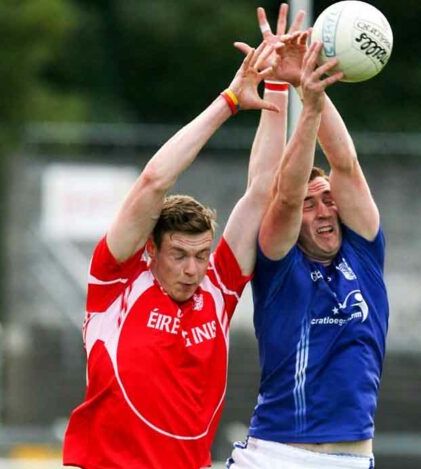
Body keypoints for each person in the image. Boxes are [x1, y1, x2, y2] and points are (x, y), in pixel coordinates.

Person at [62, 42, 286, 469]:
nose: (192, 270)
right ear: (151, 250)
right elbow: (153, 180)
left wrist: (277, 82)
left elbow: (263, 191)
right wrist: (231, 101)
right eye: (179, 255)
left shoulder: (217, 287)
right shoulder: (116, 284)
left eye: (201, 255)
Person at [227, 8, 389, 469]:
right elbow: (284, 195)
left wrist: (304, 79)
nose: (324, 210)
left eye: (328, 201)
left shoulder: (364, 256)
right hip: (278, 455)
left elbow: (345, 165)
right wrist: (308, 109)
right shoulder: (280, 263)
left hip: (353, 460)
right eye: (311, 205)